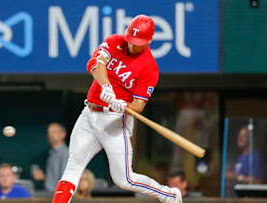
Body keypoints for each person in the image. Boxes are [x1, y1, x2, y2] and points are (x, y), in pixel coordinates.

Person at [52, 15, 182, 203]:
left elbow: (139, 105)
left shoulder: (150, 68)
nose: (132, 45)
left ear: (150, 40)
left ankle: (168, 195)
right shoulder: (115, 42)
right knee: (72, 167)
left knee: (124, 179)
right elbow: (95, 64)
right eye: (131, 40)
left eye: (138, 43)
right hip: (89, 114)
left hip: (115, 121)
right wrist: (106, 87)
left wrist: (123, 106)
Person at [32, 123, 69, 192]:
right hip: (50, 194)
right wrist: (43, 177)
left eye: (54, 132)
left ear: (63, 134)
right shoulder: (52, 153)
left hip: (59, 196)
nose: (50, 135)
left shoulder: (66, 154)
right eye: (49, 132)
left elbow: (65, 181)